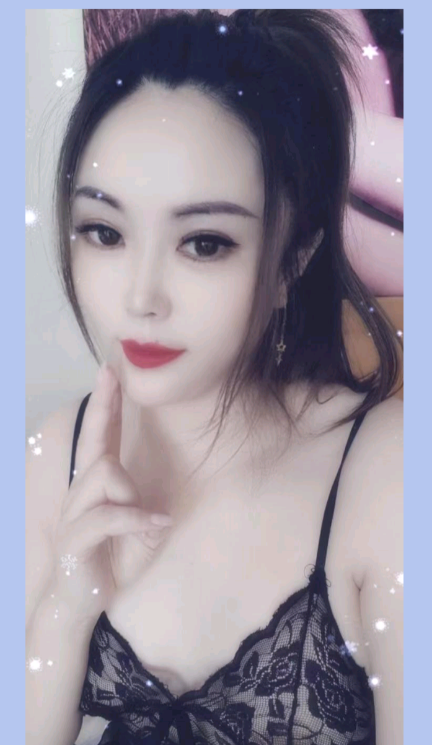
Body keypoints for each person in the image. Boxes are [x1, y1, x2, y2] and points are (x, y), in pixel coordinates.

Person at [25, 9, 403, 745]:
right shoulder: (56, 460)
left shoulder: (387, 475)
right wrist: (66, 607)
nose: (140, 298)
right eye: (105, 231)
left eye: (203, 243)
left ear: (294, 258)